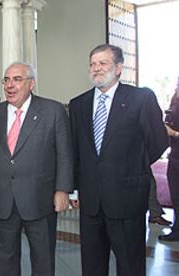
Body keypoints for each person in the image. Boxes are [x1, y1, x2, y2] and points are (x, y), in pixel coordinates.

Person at [69, 44, 168, 276]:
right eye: (92, 64)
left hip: (128, 200)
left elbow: (158, 141)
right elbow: (74, 151)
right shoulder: (78, 104)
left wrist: (131, 167)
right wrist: (74, 189)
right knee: (92, 266)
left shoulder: (141, 98)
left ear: (118, 68)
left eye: (103, 63)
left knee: (130, 265)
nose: (96, 68)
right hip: (91, 202)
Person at [0, 62, 73, 276]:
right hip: (3, 199)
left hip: (40, 199)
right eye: (6, 80)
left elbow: (65, 153)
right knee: (5, 259)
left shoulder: (52, 110)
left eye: (17, 79)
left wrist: (62, 190)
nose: (10, 85)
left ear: (31, 83)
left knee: (43, 259)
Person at [159, 79, 179, 241]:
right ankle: (177, 228)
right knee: (176, 194)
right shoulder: (175, 97)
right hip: (175, 155)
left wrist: (175, 134)